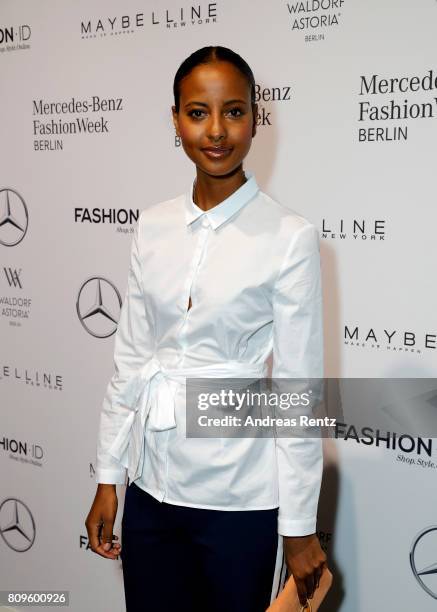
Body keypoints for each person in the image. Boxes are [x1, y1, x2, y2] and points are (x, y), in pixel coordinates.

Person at [85, 45, 327, 612]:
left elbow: (297, 391)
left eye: (234, 111)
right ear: (175, 119)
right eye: (198, 113)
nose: (216, 131)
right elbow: (132, 359)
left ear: (254, 119)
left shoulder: (288, 236)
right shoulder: (153, 225)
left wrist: (298, 525)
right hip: (149, 493)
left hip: (239, 501)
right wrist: (107, 476)